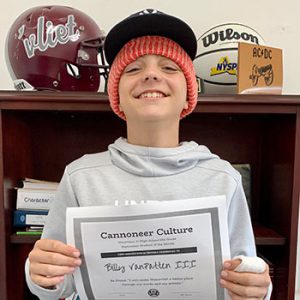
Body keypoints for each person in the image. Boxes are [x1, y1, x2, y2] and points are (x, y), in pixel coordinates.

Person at [25, 8, 272, 299]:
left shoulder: (223, 178)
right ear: (115, 93)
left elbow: (243, 277)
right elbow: (59, 284)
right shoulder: (80, 177)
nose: (152, 74)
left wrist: (256, 288)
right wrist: (40, 275)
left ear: (188, 93)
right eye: (133, 69)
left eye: (169, 68)